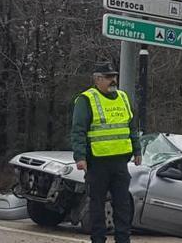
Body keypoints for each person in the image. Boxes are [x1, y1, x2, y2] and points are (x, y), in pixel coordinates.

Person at [71, 62, 142, 243]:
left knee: (122, 205)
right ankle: (98, 239)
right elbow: (78, 130)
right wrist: (80, 157)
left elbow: (132, 127)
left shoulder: (123, 98)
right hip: (97, 162)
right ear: (98, 79)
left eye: (115, 76)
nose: (114, 80)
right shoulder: (86, 99)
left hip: (120, 163)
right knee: (97, 204)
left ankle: (123, 240)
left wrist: (137, 151)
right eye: (109, 77)